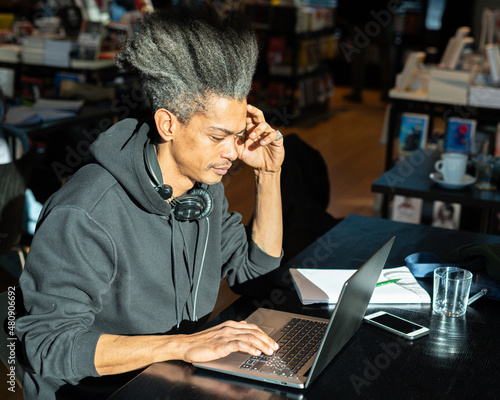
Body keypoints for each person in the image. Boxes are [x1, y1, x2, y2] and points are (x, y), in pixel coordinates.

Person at [16, 4, 284, 399]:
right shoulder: (86, 211)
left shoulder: (203, 186)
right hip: (95, 391)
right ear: (167, 124)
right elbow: (48, 346)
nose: (233, 152)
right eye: (217, 136)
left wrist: (269, 175)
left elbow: (256, 271)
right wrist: (181, 346)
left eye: (237, 134)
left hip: (169, 379)